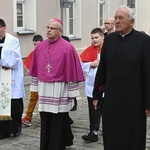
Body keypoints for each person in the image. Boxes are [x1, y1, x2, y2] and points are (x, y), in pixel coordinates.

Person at [93, 6, 150, 150]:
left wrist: (148, 103)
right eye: (116, 18)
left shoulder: (144, 40)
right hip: (112, 98)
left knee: (132, 136)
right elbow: (103, 68)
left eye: (121, 18)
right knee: (112, 134)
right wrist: (97, 94)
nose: (117, 21)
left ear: (131, 22)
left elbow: (148, 73)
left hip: (134, 101)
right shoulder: (110, 39)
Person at [29, 18, 84, 150]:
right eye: (47, 27)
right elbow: (35, 69)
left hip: (59, 90)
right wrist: (35, 88)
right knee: (45, 121)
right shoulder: (40, 47)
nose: (48, 30)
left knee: (59, 121)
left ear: (60, 31)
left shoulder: (68, 47)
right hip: (44, 89)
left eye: (52, 28)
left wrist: (71, 94)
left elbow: (72, 71)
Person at [0, 19, 25, 139]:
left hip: (12, 77)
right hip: (1, 77)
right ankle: (3, 130)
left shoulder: (13, 41)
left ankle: (16, 126)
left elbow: (14, 59)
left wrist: (3, 60)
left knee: (14, 105)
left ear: (3, 27)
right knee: (1, 105)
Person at [80, 28, 104, 142]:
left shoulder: (109, 49)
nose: (94, 40)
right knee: (93, 109)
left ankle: (110, 130)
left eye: (96, 37)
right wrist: (91, 64)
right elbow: (81, 65)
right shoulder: (89, 50)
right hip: (92, 85)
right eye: (92, 38)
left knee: (107, 110)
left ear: (102, 37)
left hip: (106, 86)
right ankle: (93, 132)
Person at [22, 34, 43, 126]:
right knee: (33, 99)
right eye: (35, 44)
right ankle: (28, 117)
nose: (36, 46)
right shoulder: (33, 54)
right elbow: (29, 65)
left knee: (45, 100)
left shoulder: (46, 53)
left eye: (38, 44)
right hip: (35, 80)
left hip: (45, 81)